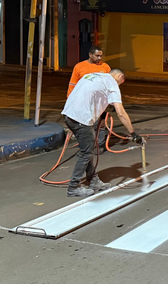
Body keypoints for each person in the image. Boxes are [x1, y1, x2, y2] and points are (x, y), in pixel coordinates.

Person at [61, 69, 142, 197]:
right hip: (81, 118)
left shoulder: (92, 75)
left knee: (87, 149)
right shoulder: (112, 84)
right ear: (120, 77)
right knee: (86, 153)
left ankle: (93, 181)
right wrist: (133, 134)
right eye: (121, 82)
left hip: (69, 114)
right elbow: (121, 113)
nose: (119, 85)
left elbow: (91, 94)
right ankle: (73, 187)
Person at [67, 46, 112, 152]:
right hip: (84, 101)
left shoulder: (105, 67)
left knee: (100, 124)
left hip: (99, 102)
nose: (99, 58)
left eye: (101, 56)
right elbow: (73, 84)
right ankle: (87, 144)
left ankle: (99, 145)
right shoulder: (79, 67)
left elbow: (110, 84)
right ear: (90, 55)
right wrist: (70, 99)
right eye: (97, 56)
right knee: (86, 124)